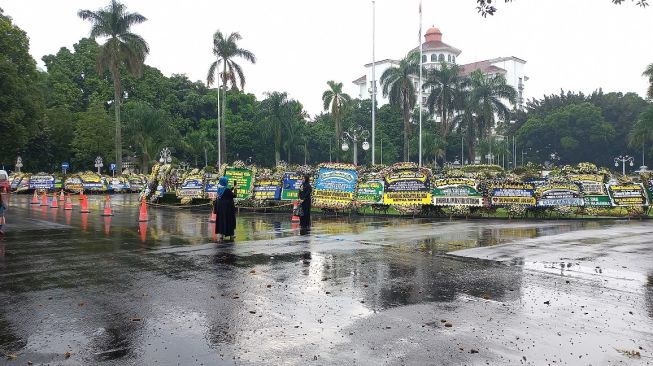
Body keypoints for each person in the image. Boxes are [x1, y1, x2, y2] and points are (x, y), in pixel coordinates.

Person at [213, 177, 236, 241]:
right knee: (229, 221)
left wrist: (232, 188)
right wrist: (235, 189)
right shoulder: (227, 190)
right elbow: (234, 195)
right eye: (227, 181)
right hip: (228, 209)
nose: (227, 182)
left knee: (221, 221)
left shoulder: (219, 189)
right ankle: (231, 235)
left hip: (220, 208)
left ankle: (221, 235)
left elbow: (226, 193)